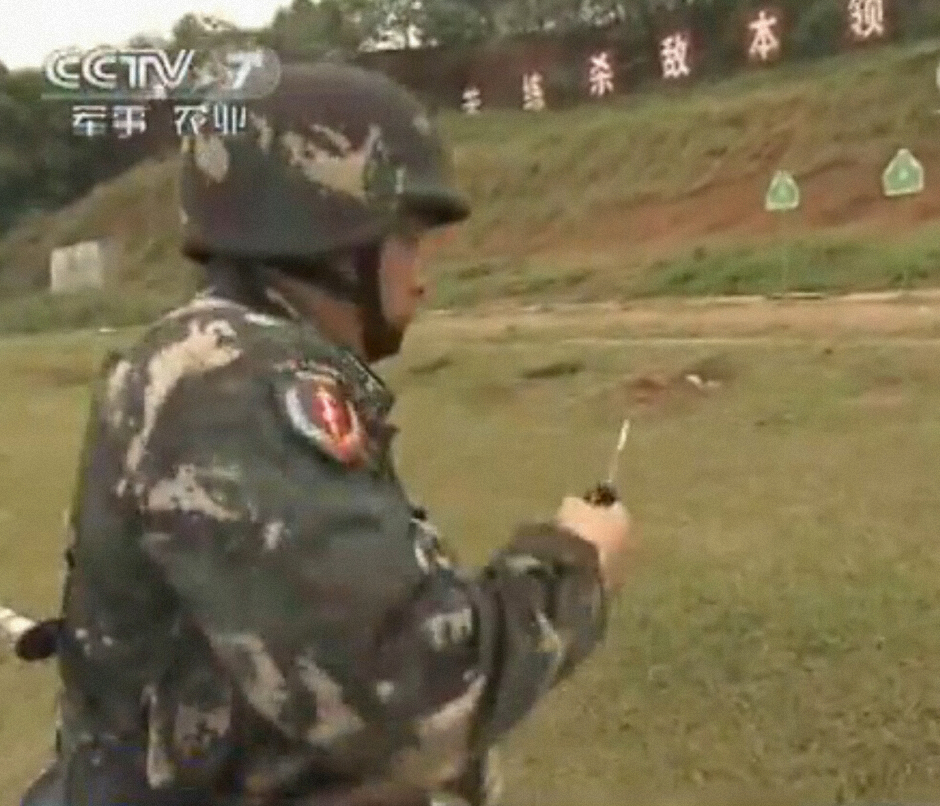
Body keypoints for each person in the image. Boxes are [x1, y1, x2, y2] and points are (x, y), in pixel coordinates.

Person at [19, 62, 635, 806]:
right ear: (334, 241)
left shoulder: (216, 363)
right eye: (407, 241)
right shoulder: (233, 384)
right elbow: (408, 695)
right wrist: (574, 564)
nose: (421, 277)